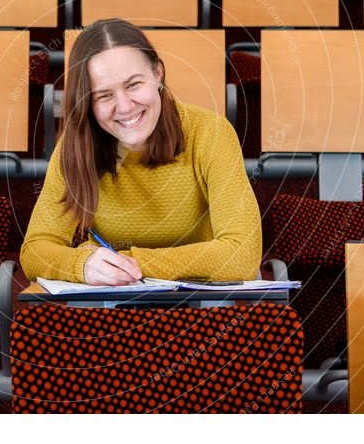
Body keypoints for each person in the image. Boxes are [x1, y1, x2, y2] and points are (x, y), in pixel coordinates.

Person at [20, 18, 262, 286]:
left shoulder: (211, 132)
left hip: (201, 305)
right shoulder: (76, 146)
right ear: (87, 102)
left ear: (157, 74)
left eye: (133, 84)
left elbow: (242, 254)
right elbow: (35, 250)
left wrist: (127, 262)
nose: (124, 107)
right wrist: (82, 264)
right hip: (107, 312)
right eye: (104, 95)